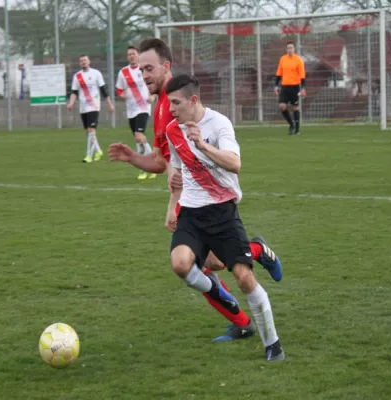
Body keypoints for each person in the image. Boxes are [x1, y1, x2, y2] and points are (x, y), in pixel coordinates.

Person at [109, 38, 283, 342]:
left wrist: (172, 204)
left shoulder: (173, 105)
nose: (144, 75)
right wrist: (133, 158)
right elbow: (166, 163)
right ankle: (249, 281)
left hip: (205, 197)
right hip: (190, 197)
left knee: (200, 264)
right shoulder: (163, 107)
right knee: (209, 263)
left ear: (166, 66)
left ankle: (244, 309)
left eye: (148, 68)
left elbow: (175, 164)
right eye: (140, 70)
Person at [165, 74, 285, 361]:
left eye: (176, 103)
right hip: (191, 213)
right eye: (169, 103)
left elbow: (235, 164)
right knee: (182, 265)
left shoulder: (219, 124)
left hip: (222, 212)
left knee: (243, 277)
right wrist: (172, 206)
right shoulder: (172, 130)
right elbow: (177, 172)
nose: (171, 109)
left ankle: (273, 345)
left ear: (193, 101)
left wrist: (203, 145)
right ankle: (225, 297)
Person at [116, 45, 156, 180]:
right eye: (129, 54)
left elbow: (155, 84)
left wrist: (153, 96)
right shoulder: (123, 73)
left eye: (133, 54)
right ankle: (145, 168)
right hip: (131, 110)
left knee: (139, 136)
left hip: (143, 107)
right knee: (138, 140)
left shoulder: (144, 69)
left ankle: (152, 164)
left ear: (138, 55)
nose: (131, 56)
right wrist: (122, 95)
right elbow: (119, 90)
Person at [67, 55, 115, 163]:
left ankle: (88, 155)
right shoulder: (77, 76)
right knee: (88, 132)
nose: (83, 62)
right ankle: (98, 151)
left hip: (94, 106)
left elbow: (104, 90)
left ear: (89, 61)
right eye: (81, 61)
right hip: (83, 107)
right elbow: (74, 92)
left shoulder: (96, 73)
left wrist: (110, 104)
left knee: (91, 130)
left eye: (85, 60)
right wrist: (71, 103)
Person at [274, 41, 306, 135]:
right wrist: (276, 86)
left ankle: (297, 129)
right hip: (284, 86)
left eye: (291, 48)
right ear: (286, 49)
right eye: (288, 48)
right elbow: (279, 74)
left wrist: (303, 88)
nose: (289, 50)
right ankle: (291, 124)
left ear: (294, 49)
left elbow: (302, 75)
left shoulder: (298, 60)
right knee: (282, 106)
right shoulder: (283, 59)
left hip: (295, 86)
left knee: (294, 107)